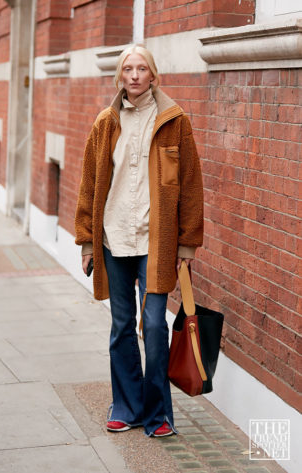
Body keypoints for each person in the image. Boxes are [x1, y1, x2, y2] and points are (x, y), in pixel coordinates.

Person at [75, 45, 203, 437]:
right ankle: (126, 406)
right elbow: (90, 184)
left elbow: (191, 186)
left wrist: (187, 245)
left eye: (141, 68)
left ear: (153, 75)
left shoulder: (174, 121)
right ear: (119, 76)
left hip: (157, 241)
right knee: (121, 325)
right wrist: (85, 241)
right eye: (127, 69)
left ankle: (158, 413)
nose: (134, 75)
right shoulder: (105, 123)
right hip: (114, 238)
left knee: (154, 325)